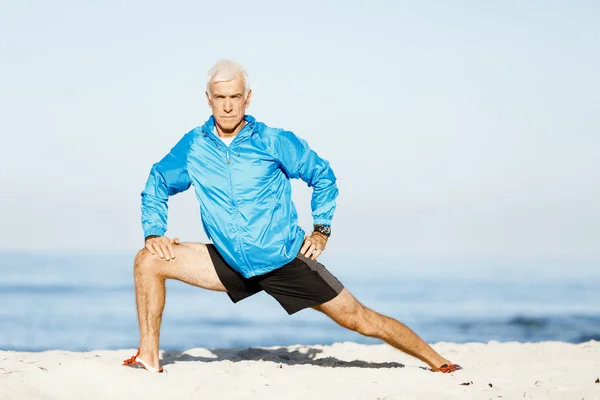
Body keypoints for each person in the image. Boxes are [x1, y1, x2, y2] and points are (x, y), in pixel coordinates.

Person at [123, 60, 462, 374]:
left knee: (359, 319)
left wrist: (321, 231)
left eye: (235, 97)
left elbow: (323, 176)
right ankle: (149, 356)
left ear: (248, 98)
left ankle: (438, 362)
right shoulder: (194, 147)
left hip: (283, 258)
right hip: (228, 260)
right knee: (148, 260)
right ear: (208, 99)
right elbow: (157, 182)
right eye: (220, 97)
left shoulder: (274, 141)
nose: (228, 105)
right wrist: (155, 232)